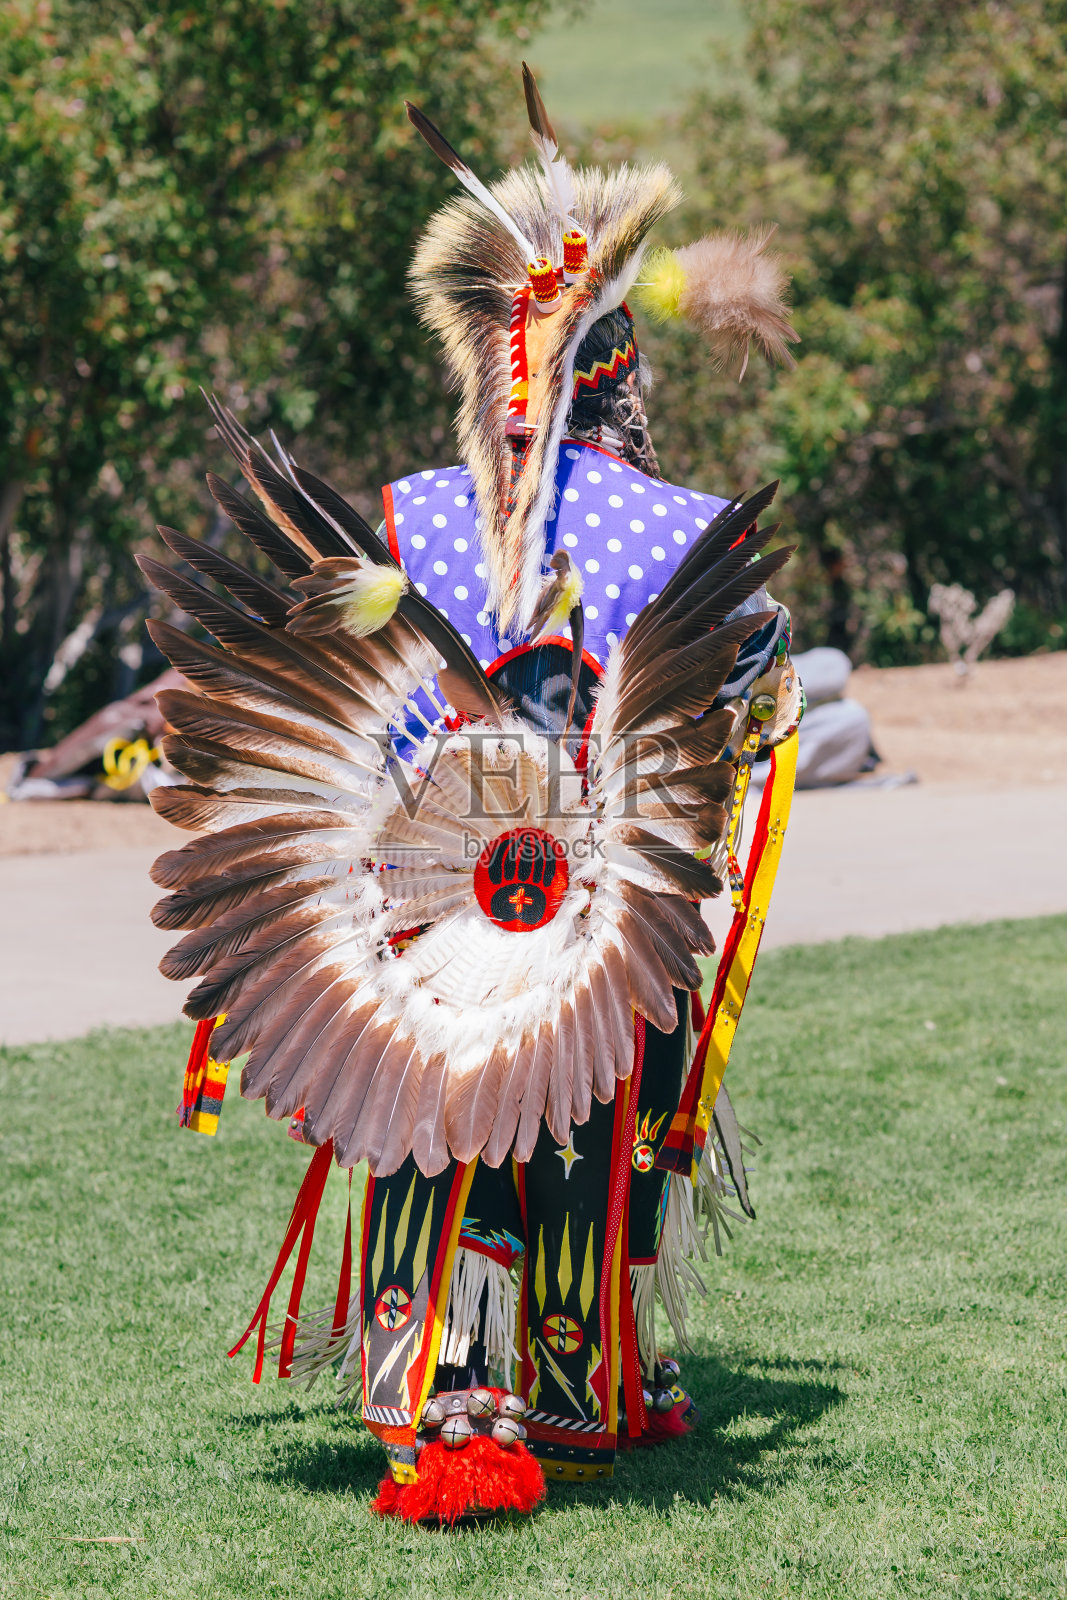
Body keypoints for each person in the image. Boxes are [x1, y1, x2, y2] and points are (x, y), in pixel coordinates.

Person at [145, 66, 803, 1524]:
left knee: (431, 1117)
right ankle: (575, 1391)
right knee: (575, 1114)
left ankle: (439, 1400)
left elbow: (318, 695)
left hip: (409, 932)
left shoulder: (398, 518)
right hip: (593, 924)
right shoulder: (685, 534)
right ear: (621, 377)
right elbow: (748, 717)